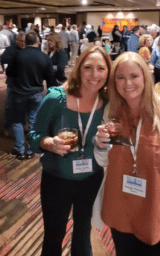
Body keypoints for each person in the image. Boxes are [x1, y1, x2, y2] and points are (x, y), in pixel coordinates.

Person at [91, 52, 160, 255]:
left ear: (145, 77)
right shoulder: (111, 111)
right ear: (113, 82)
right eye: (121, 77)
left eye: (134, 76)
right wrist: (100, 146)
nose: (128, 84)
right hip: (119, 207)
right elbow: (104, 160)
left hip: (154, 213)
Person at [27, 46, 111, 256]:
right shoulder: (57, 99)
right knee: (54, 235)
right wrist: (50, 143)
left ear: (108, 72)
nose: (95, 75)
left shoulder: (109, 103)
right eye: (88, 67)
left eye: (101, 68)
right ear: (78, 69)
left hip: (91, 179)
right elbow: (34, 136)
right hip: (57, 178)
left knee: (83, 232)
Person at [6, 31, 56, 160]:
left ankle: (19, 150)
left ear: (25, 41)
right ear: (38, 42)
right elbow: (50, 78)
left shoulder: (17, 55)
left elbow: (9, 72)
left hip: (19, 94)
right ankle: (31, 149)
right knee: (34, 121)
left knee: (17, 121)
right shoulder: (44, 57)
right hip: (36, 94)